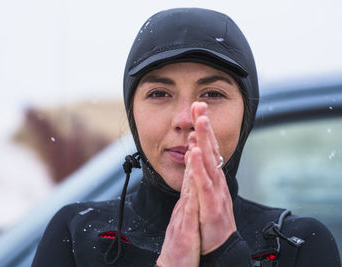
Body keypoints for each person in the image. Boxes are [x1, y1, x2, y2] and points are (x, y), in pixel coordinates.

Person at [32, 8, 341, 267]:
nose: (185, 119)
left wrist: (225, 253)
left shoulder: (299, 245)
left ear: (246, 113)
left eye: (212, 93)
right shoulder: (75, 234)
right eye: (159, 93)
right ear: (133, 112)